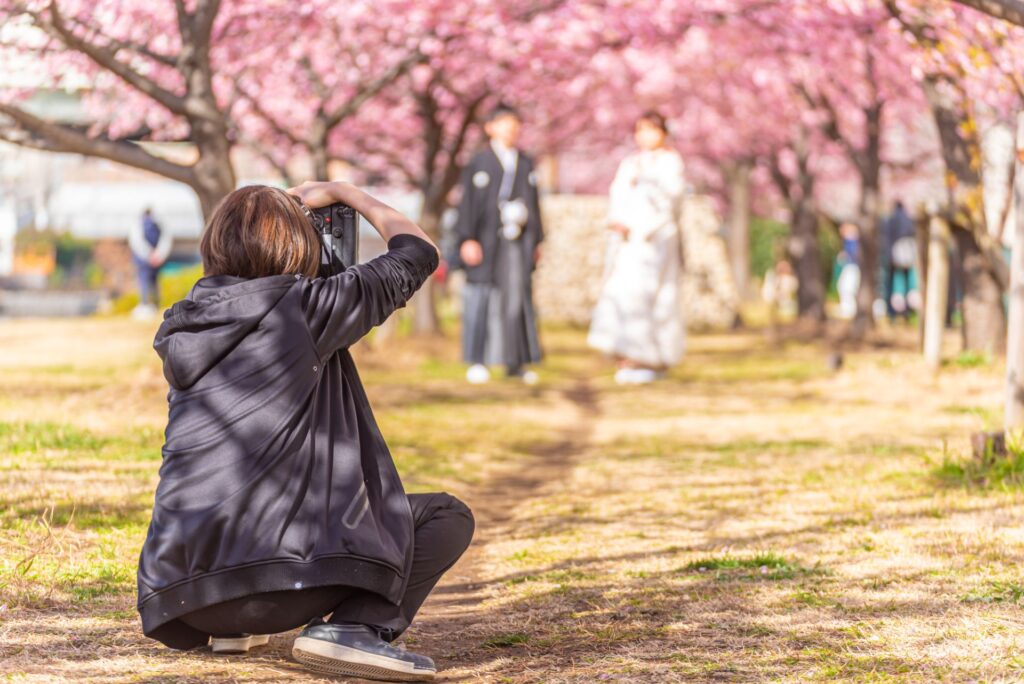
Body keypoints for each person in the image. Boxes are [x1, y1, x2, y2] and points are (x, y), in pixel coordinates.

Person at [136, 182, 474, 682]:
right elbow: (418, 250)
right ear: (297, 245)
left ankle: (232, 633)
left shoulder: (186, 323)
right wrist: (348, 193)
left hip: (183, 595)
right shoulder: (305, 307)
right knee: (446, 516)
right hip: (279, 584)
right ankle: (357, 630)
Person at [587, 111, 686, 384]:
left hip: (655, 242)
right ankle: (626, 355)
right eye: (641, 129)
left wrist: (640, 227)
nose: (645, 135)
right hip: (628, 245)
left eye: (652, 129)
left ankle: (651, 357)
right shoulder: (631, 163)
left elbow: (670, 204)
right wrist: (618, 222)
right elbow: (617, 196)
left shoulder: (671, 162)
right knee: (623, 295)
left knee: (653, 298)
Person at [455, 103, 544, 385]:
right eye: (504, 122)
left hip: (516, 241)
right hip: (484, 241)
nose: (511, 128)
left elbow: (536, 205)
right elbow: (466, 204)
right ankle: (478, 359)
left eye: (515, 122)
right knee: (481, 296)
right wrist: (467, 237)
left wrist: (537, 239)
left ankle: (516, 361)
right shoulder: (478, 163)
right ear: (490, 127)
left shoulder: (526, 162)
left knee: (517, 298)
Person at [129, 207, 172, 318]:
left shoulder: (139, 224)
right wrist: (157, 255)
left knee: (145, 282)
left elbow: (137, 242)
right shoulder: (158, 224)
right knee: (153, 282)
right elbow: (165, 240)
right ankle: (153, 305)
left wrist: (150, 255)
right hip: (154, 259)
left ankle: (146, 304)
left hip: (145, 259)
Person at [882, 200, 919, 320]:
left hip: (896, 256)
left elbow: (886, 239)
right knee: (910, 280)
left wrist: (889, 256)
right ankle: (908, 308)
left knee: (896, 282)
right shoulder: (910, 220)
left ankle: (894, 310)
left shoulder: (890, 220)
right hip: (909, 256)